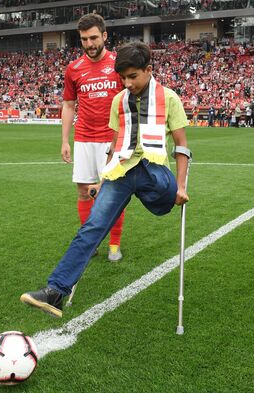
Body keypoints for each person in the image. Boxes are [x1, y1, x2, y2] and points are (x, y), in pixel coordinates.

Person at [20, 42, 190, 318]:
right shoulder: (118, 101)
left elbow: (181, 146)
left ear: (149, 70)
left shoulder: (169, 98)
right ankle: (56, 292)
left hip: (154, 173)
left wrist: (181, 186)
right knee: (92, 227)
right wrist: (103, 179)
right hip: (122, 171)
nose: (127, 83)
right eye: (122, 77)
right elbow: (115, 145)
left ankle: (161, 190)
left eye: (133, 76)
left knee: (154, 186)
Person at [60, 13, 126, 262]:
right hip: (85, 138)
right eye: (84, 39)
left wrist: (123, 139)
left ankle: (114, 244)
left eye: (94, 37)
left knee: (114, 193)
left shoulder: (120, 64)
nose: (89, 44)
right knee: (84, 191)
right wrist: (65, 140)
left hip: (113, 139)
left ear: (105, 36)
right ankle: (90, 243)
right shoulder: (73, 69)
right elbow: (68, 105)